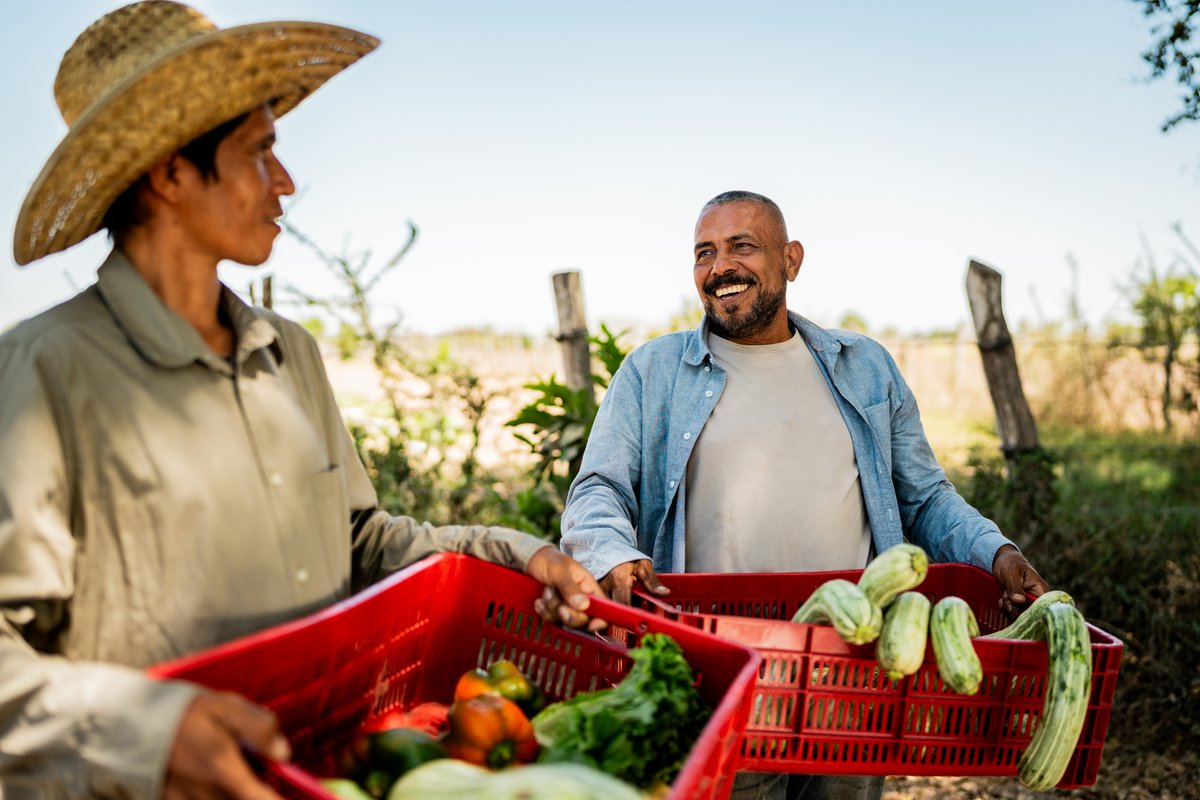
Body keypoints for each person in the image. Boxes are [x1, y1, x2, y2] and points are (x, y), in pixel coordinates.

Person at [0, 3, 602, 799]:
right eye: (259, 151)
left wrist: (515, 553)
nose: (284, 181)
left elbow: (360, 543)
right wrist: (147, 730)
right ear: (170, 172)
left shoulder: (290, 354)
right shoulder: (43, 372)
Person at [560, 190, 1051, 800]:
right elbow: (599, 488)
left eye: (742, 246)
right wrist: (611, 552)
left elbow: (924, 498)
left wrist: (996, 552)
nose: (720, 267)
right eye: (704, 253)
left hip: (855, 665)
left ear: (791, 259)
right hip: (718, 668)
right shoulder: (652, 372)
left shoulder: (865, 367)